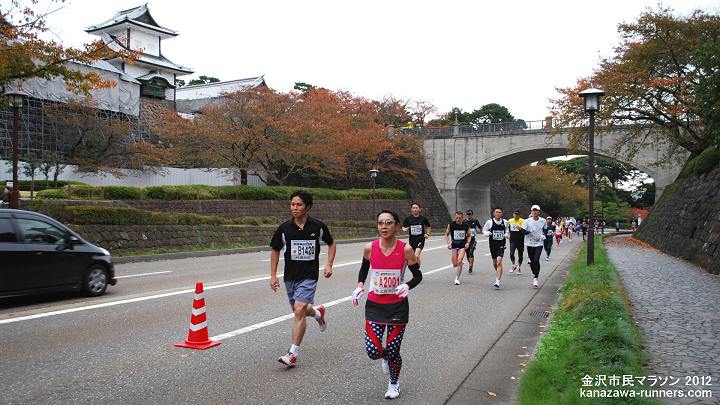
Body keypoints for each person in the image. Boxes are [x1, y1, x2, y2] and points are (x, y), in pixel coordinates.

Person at [351, 210, 422, 399]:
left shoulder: (406, 249)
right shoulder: (369, 248)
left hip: (398, 307)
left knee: (393, 349)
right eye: (381, 223)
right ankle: (386, 357)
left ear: (397, 226)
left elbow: (418, 276)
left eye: (389, 222)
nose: (384, 226)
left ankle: (393, 383)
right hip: (375, 306)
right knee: (373, 351)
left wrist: (407, 285)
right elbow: (364, 269)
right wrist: (359, 285)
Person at [270, 190, 337, 368]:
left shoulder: (318, 226)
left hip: (309, 275)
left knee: (299, 310)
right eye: (292, 204)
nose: (294, 207)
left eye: (298, 204)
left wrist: (329, 264)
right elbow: (275, 250)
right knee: (299, 310)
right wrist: (273, 275)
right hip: (290, 276)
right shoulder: (284, 228)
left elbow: (331, 243)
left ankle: (292, 354)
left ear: (307, 206)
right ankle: (318, 313)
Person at [482, 207, 509, 289]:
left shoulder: (505, 222)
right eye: (496, 212)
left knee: (499, 261)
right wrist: (488, 233)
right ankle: (498, 272)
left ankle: (497, 281)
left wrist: (506, 234)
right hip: (493, 244)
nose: (498, 214)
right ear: (494, 213)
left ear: (502, 213)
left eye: (500, 212)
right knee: (495, 263)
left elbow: (507, 230)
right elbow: (484, 230)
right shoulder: (489, 222)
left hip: (501, 243)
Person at [445, 211, 470, 285]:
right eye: (457, 218)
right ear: (455, 217)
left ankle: (457, 279)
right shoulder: (451, 225)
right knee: (455, 264)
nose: (458, 219)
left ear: (462, 218)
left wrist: (468, 243)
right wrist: (449, 243)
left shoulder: (466, 225)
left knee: (459, 261)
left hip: (462, 246)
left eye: (459, 218)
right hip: (454, 246)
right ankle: (460, 263)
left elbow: (469, 235)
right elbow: (446, 235)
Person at [524, 205, 546, 288]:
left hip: (539, 243)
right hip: (530, 243)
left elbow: (545, 229)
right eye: (533, 210)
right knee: (532, 261)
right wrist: (528, 232)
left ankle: (535, 278)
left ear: (539, 212)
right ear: (531, 212)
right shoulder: (527, 221)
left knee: (536, 260)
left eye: (536, 210)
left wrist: (544, 235)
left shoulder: (543, 221)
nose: (534, 212)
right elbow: (523, 232)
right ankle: (534, 273)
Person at [462, 209, 482, 274]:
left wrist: (478, 229)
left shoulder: (475, 221)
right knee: (468, 253)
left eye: (470, 214)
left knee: (471, 252)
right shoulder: (464, 221)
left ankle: (470, 266)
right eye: (468, 214)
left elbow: (480, 227)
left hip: (473, 239)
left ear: (472, 215)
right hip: (466, 239)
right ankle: (470, 263)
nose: (469, 216)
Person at [507, 209, 525, 275]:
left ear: (519, 215)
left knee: (520, 254)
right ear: (513, 214)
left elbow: (526, 230)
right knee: (511, 253)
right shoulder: (510, 221)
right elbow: (507, 229)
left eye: (517, 214)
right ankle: (514, 265)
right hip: (512, 239)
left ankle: (519, 267)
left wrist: (521, 229)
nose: (516, 215)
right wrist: (508, 234)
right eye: (515, 214)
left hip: (520, 240)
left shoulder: (523, 221)